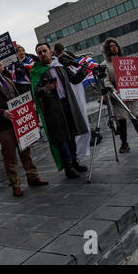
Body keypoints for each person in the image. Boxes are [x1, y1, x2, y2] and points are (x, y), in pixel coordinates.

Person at [0, 56, 48, 197]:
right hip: (4, 127)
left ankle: (33, 177)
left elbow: (18, 99)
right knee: (10, 157)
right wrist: (2, 112)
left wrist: (29, 106)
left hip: (19, 123)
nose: (1, 64)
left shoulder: (8, 80)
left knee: (26, 151)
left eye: (0, 62)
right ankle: (15, 184)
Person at [32, 43, 89, 179]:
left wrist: (83, 70)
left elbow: (74, 80)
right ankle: (68, 166)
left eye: (44, 51)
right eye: (39, 53)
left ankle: (75, 161)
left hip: (67, 105)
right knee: (62, 138)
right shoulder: (36, 71)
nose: (43, 54)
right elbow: (36, 92)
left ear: (50, 52)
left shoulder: (60, 66)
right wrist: (46, 88)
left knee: (71, 134)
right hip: (53, 109)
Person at [100, 37, 138, 153]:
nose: (114, 48)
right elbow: (106, 81)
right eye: (111, 46)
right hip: (118, 95)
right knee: (122, 120)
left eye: (116, 46)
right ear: (107, 50)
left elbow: (133, 73)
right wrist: (115, 93)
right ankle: (124, 144)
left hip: (130, 92)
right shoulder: (104, 65)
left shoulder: (125, 61)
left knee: (136, 118)